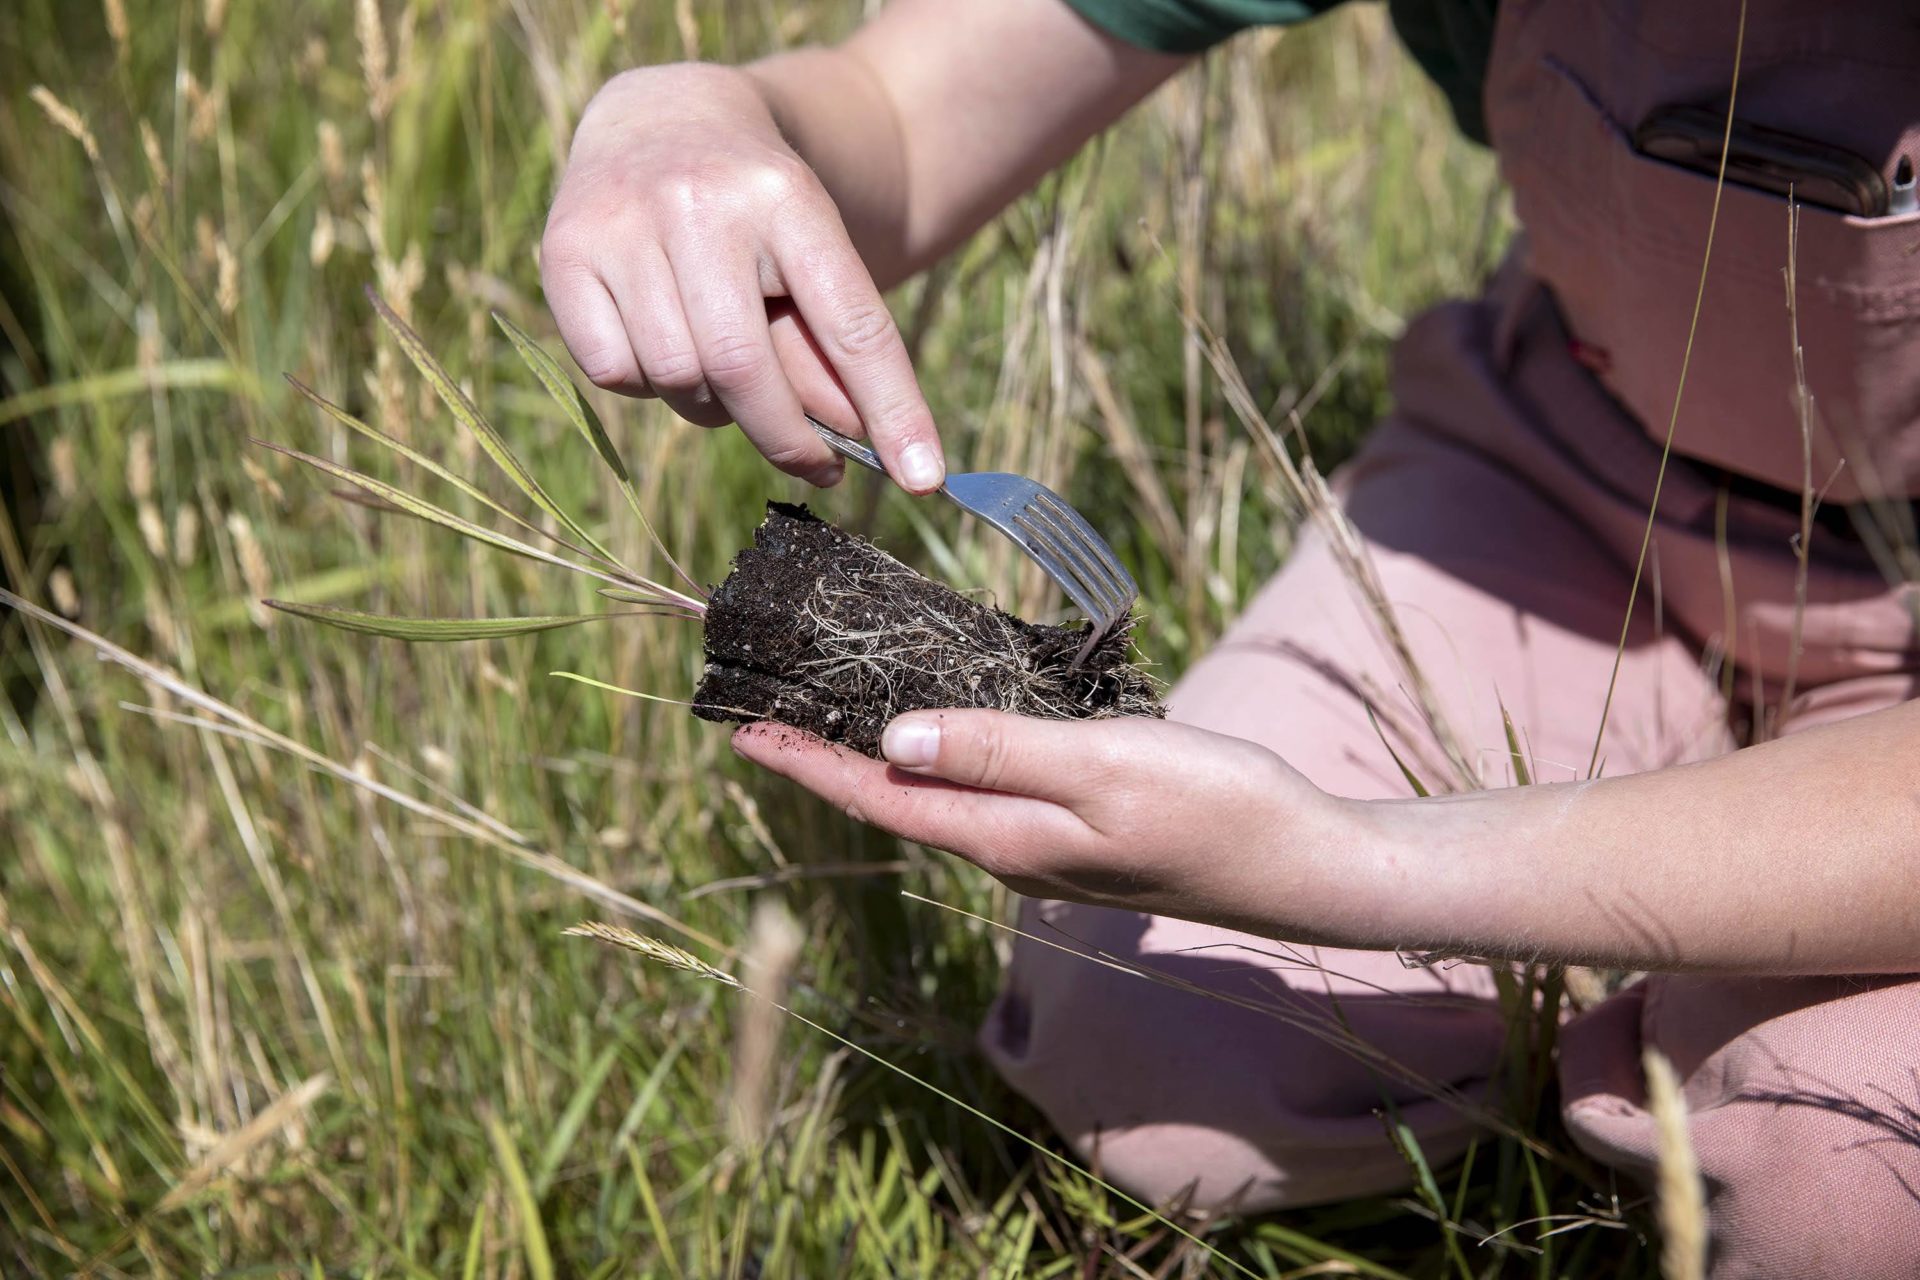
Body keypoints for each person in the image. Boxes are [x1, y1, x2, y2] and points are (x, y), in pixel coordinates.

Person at [541, 1, 1920, 1272]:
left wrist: (1349, 864)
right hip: (1580, 474)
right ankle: (1626, 1013)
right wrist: (686, 119)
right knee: (1155, 1031)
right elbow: (901, 113)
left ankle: (1672, 1057)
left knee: (1850, 1179)